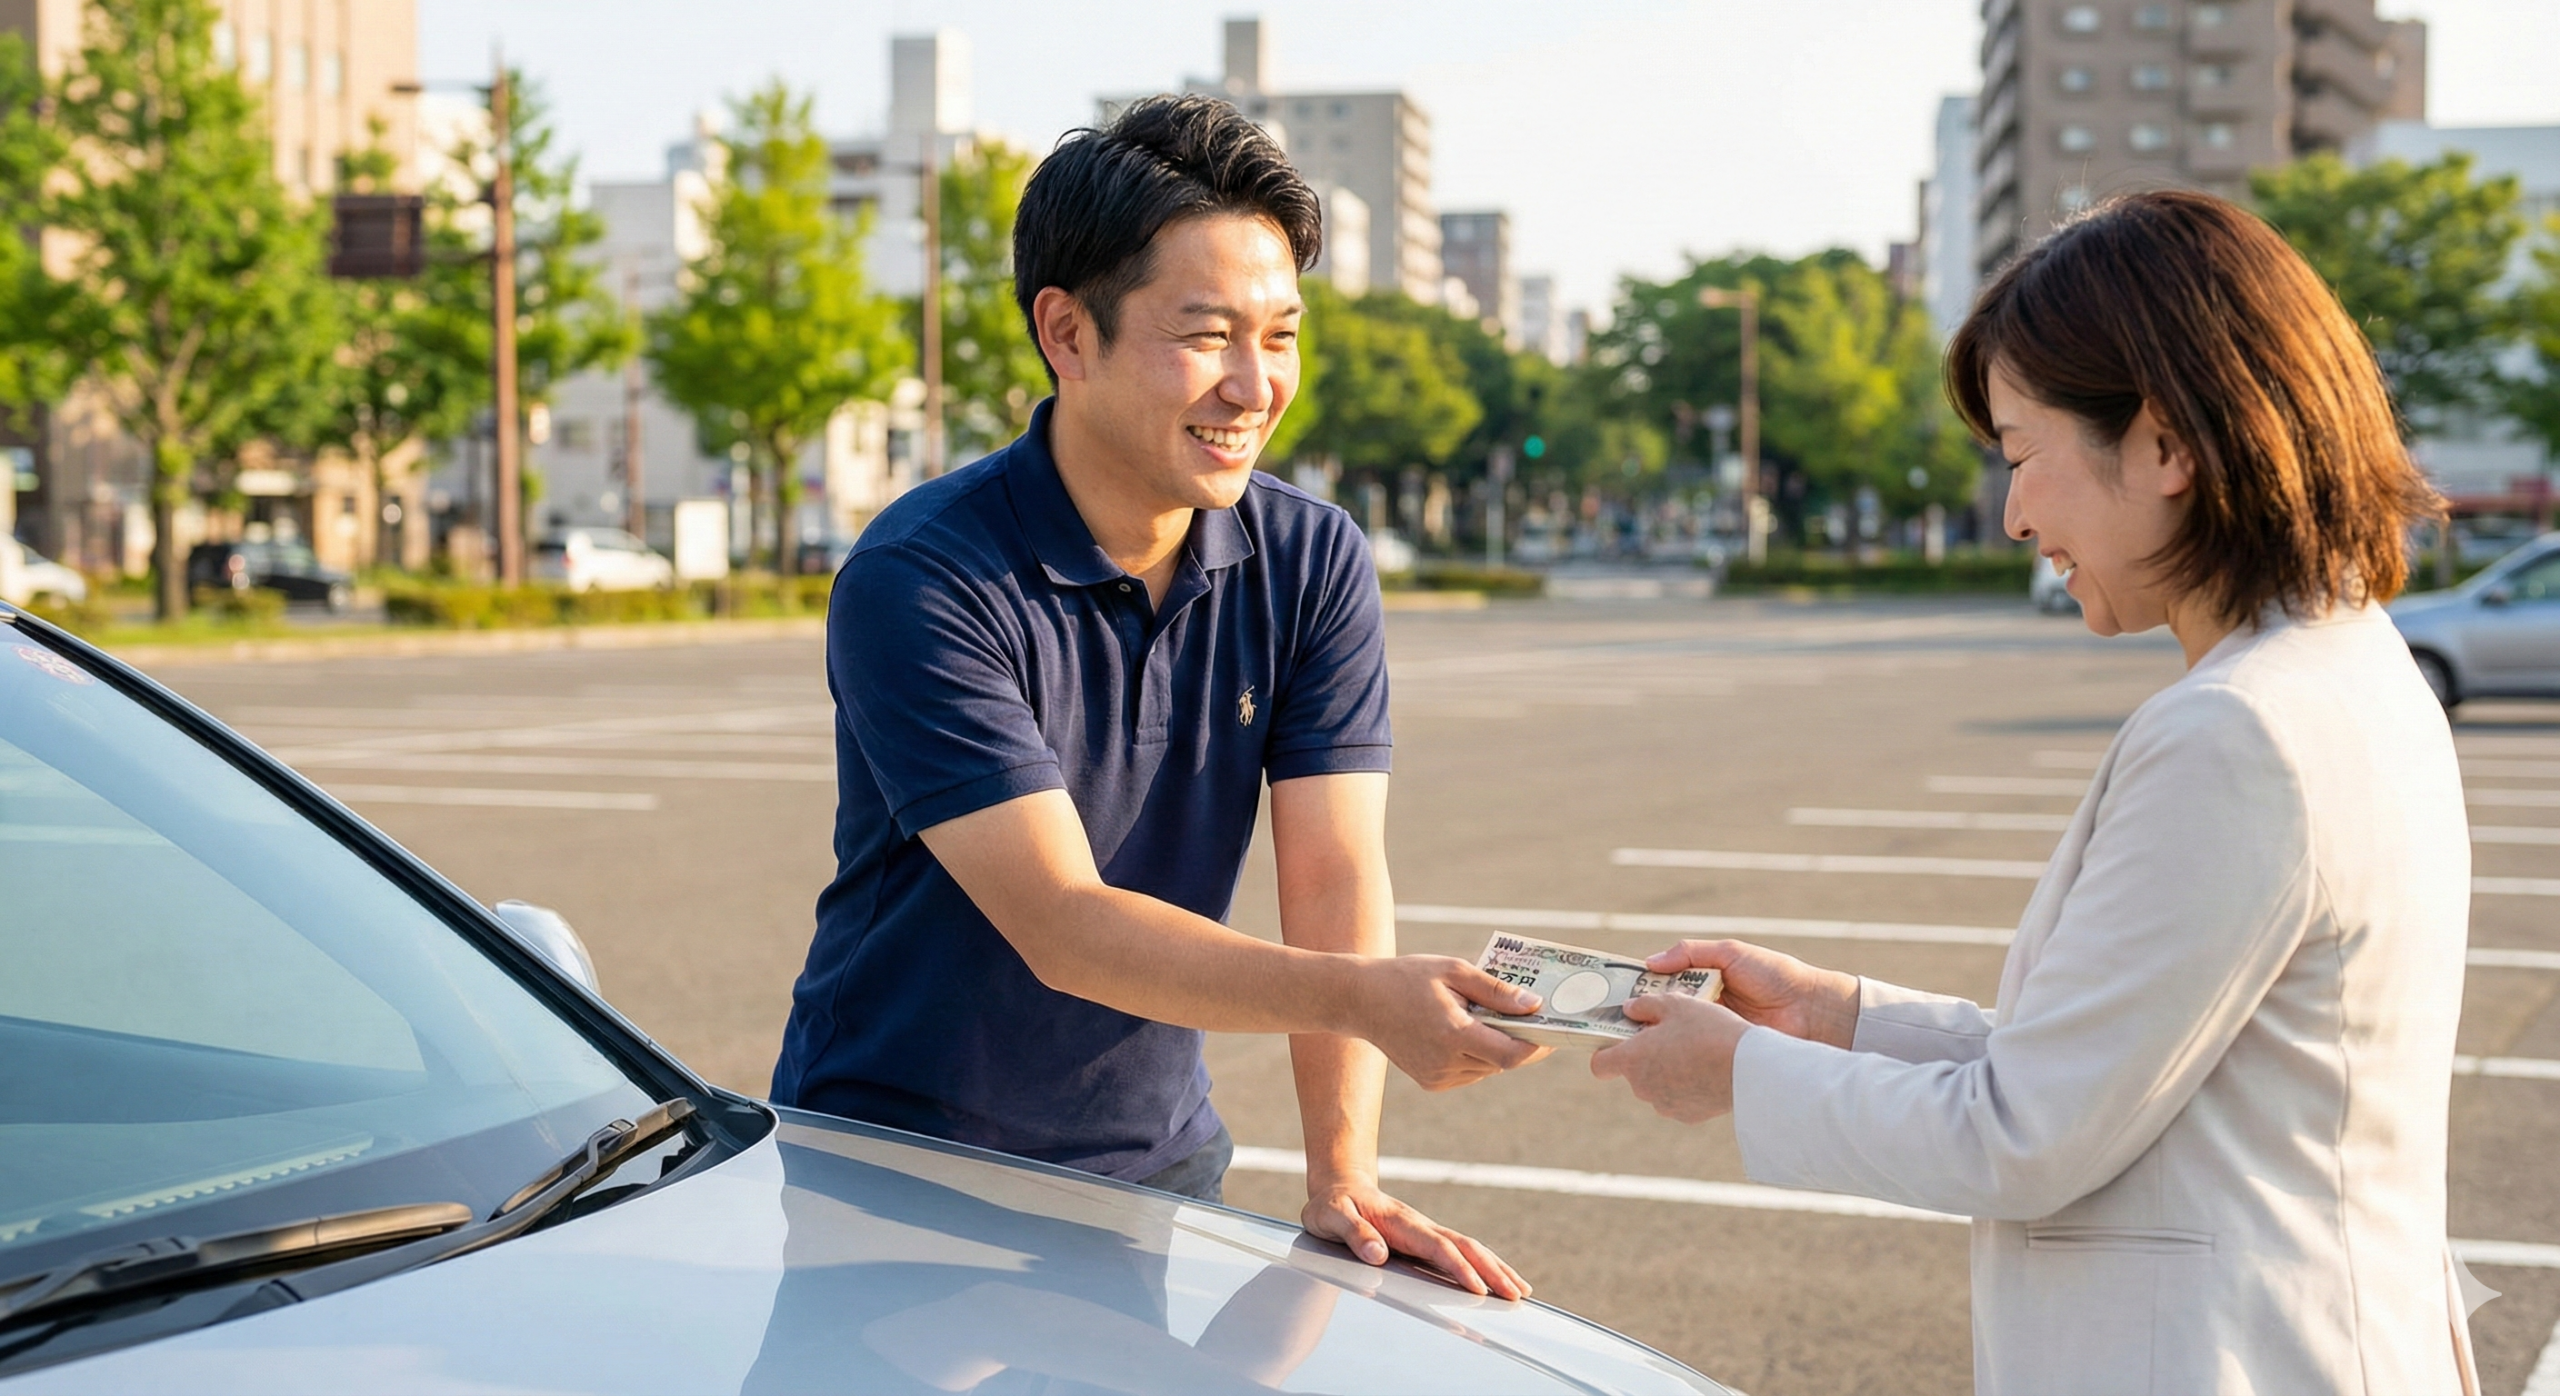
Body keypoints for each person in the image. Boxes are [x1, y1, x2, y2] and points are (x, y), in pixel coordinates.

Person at [1590, 190, 2476, 1393]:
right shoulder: (2349, 667)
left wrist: (1735, 1072)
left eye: (2020, 455)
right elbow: (2124, 1061)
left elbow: (2025, 1136)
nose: (2012, 514)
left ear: (2163, 445)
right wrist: (1840, 1013)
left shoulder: (2237, 732)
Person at [771, 95, 1545, 1299]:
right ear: (1067, 333)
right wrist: (1370, 1000)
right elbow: (1063, 921)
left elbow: (1333, 875)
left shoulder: (1310, 557)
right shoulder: (919, 577)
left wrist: (1343, 1173)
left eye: (1280, 334)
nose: (1253, 384)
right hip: (888, 1174)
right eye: (1206, 335)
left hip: (1150, 1167)